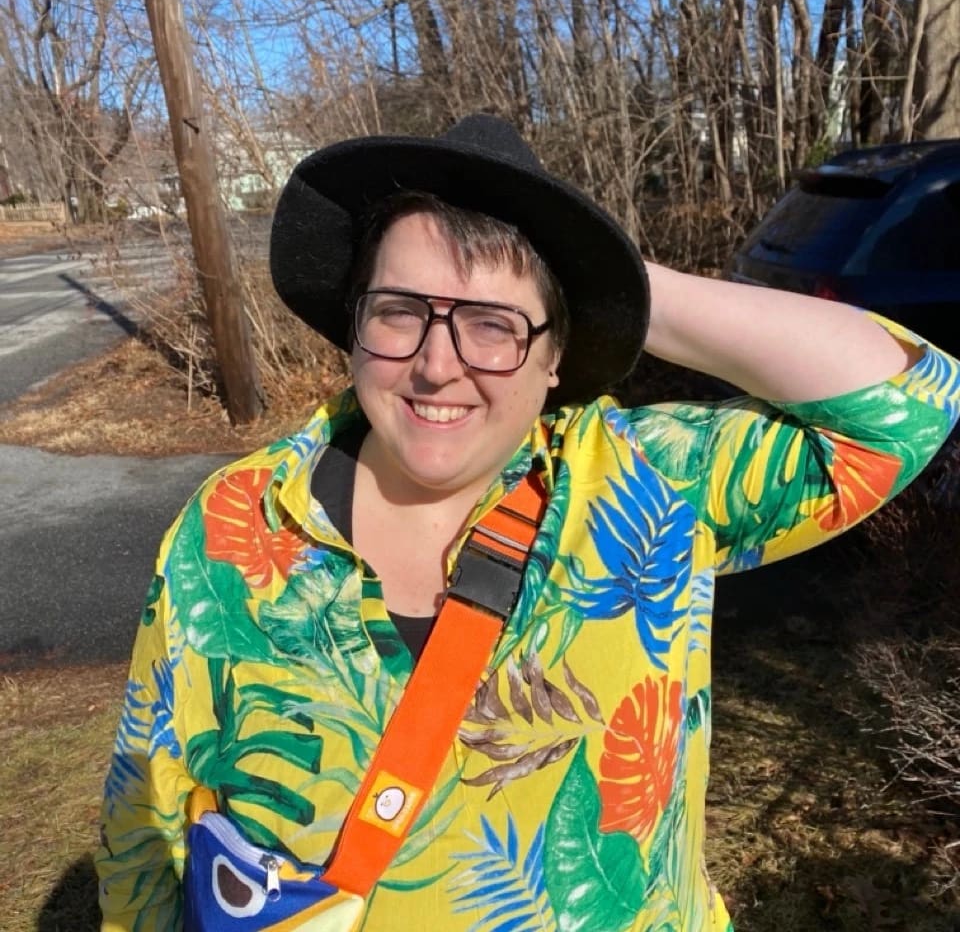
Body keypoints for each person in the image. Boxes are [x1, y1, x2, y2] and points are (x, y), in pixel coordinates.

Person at [95, 113, 960, 932]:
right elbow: (149, 817)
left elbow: (907, 403)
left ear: (553, 359)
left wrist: (617, 280)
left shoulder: (644, 486)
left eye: (493, 325)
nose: (438, 365)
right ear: (354, 330)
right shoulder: (234, 525)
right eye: (401, 311)